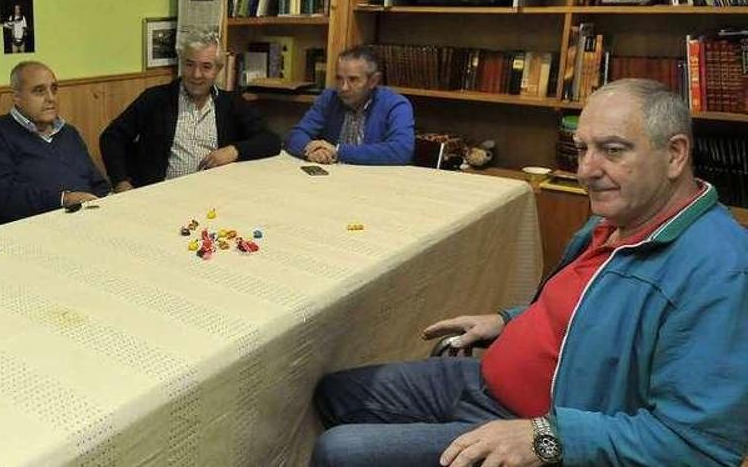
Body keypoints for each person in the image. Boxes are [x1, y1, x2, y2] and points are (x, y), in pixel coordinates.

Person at [311, 79, 748, 467]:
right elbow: (585, 308)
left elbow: (700, 447)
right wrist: (506, 320)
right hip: (488, 383)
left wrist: (546, 436)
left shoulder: (721, 271)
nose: (586, 171)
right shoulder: (619, 218)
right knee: (332, 391)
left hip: (548, 428)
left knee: (339, 451)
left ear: (675, 154)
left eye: (613, 150)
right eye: (582, 149)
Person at [99, 32, 279, 191]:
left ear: (218, 69)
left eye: (206, 67)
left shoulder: (230, 103)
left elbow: (271, 141)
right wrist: (121, 183)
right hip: (159, 196)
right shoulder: (155, 99)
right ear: (181, 65)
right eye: (190, 65)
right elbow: (111, 137)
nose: (196, 74)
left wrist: (234, 151)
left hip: (215, 196)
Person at [0, 61, 111, 222]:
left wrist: (110, 201)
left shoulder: (68, 132)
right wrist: (63, 200)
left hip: (88, 218)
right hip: (32, 226)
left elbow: (98, 183)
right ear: (17, 97)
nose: (51, 98)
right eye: (39, 91)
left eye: (54, 89)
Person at [284, 46, 414, 165]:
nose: (344, 87)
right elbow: (296, 135)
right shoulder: (330, 97)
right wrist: (313, 150)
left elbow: (401, 151)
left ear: (373, 81)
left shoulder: (396, 104)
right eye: (339, 78)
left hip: (374, 180)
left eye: (353, 79)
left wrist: (338, 151)